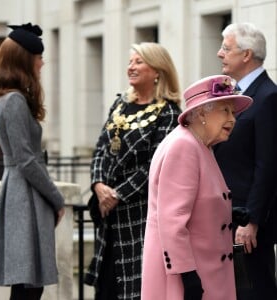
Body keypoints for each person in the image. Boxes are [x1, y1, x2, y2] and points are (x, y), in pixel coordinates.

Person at [84, 42, 182, 300]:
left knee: (133, 289)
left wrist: (117, 194)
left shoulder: (169, 113)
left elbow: (157, 165)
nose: (131, 67)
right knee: (106, 288)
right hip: (108, 219)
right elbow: (101, 148)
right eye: (130, 62)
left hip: (138, 215)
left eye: (138, 62)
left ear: (158, 70)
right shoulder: (120, 104)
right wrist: (98, 185)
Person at [141, 74, 253, 300]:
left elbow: (194, 203)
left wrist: (226, 213)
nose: (233, 119)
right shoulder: (184, 146)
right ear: (202, 113)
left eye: (233, 112)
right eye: (225, 111)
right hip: (190, 276)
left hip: (205, 269)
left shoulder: (199, 144)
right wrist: (187, 276)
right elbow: (172, 219)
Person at [0, 23, 65, 300]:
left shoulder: (7, 98)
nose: (42, 62)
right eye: (38, 57)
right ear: (25, 59)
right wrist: (57, 198)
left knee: (28, 283)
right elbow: (26, 160)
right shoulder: (14, 101)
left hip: (21, 192)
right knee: (28, 285)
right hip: (24, 195)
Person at [215, 22, 277, 300]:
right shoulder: (232, 93)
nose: (219, 54)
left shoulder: (268, 97)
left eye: (226, 48)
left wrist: (251, 220)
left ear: (247, 55)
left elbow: (269, 166)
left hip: (247, 225)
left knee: (254, 291)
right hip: (224, 217)